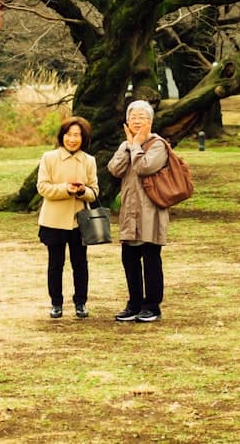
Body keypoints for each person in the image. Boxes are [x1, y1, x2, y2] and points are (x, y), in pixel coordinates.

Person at [107, 100, 169, 323]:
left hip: (151, 210)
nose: (136, 120)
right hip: (129, 211)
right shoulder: (126, 145)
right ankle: (134, 303)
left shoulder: (158, 144)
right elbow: (114, 169)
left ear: (150, 121)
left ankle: (152, 305)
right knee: (129, 258)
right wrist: (128, 145)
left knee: (151, 259)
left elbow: (144, 167)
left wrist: (136, 146)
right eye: (132, 117)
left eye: (141, 117)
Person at [36, 116, 99, 319]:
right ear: (62, 136)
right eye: (69, 135)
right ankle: (56, 303)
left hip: (79, 221)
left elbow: (95, 191)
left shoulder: (89, 161)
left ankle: (81, 302)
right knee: (55, 263)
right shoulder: (49, 158)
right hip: (53, 220)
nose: (72, 139)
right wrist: (66, 189)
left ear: (84, 138)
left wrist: (82, 192)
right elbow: (43, 187)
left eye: (77, 135)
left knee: (80, 263)